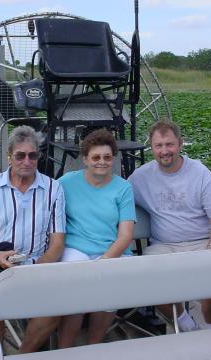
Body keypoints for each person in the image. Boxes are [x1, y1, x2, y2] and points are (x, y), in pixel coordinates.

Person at [0, 125, 66, 354]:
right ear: (10, 156)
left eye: (33, 155)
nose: (27, 161)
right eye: (20, 155)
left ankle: (22, 355)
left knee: (57, 307)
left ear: (38, 156)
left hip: (37, 262)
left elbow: (57, 242)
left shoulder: (53, 189)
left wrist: (38, 267)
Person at [128, 120, 211, 331]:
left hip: (203, 241)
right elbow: (117, 198)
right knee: (145, 275)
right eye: (159, 146)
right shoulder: (140, 177)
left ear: (180, 144)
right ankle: (185, 323)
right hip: (164, 245)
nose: (164, 151)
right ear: (152, 148)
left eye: (169, 144)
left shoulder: (200, 173)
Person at [57, 129, 136, 347]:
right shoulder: (65, 183)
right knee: (75, 289)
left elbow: (126, 235)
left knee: (111, 288)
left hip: (112, 251)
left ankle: (94, 347)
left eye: (107, 157)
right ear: (85, 160)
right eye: (96, 157)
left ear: (113, 159)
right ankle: (65, 350)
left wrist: (103, 263)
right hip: (76, 248)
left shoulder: (123, 188)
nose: (101, 162)